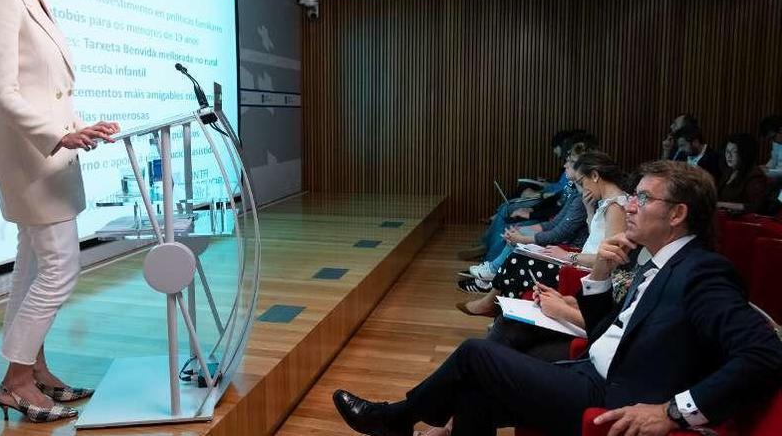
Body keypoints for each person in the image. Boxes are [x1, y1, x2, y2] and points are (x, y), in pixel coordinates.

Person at [333, 161, 782, 436]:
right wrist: (601, 275)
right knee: (476, 389)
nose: (630, 205)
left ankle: (397, 418)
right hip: (592, 369)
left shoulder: (703, 271)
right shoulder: (657, 260)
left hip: (612, 396)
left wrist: (673, 412)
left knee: (476, 354)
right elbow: (609, 331)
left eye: (643, 198)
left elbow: (764, 354)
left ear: (678, 214)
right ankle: (398, 420)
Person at [0, 0, 120, 423]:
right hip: (32, 160)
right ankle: (15, 381)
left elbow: (45, 89)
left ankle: (33, 370)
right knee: (59, 270)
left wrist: (77, 128)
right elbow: (1, 92)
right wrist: (61, 134)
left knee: (34, 268)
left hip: (50, 157)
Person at [457, 151, 627, 308]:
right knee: (519, 255)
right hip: (581, 261)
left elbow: (609, 261)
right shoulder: (607, 201)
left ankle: (493, 307)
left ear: (595, 176)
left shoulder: (615, 206)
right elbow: (596, 238)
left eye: (583, 182)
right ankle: (496, 309)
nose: (584, 189)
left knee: (517, 261)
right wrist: (589, 209)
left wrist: (569, 256)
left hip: (585, 272)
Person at [717, 133, 771, 214]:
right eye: (727, 151)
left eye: (734, 152)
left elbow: (756, 207)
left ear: (745, 154)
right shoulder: (729, 170)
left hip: (739, 221)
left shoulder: (755, 176)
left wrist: (721, 204)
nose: (728, 156)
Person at [759, 115, 782, 182]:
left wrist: (769, 171)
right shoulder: (776, 142)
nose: (772, 141)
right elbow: (774, 159)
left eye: (773, 137)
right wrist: (766, 168)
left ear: (781, 130)